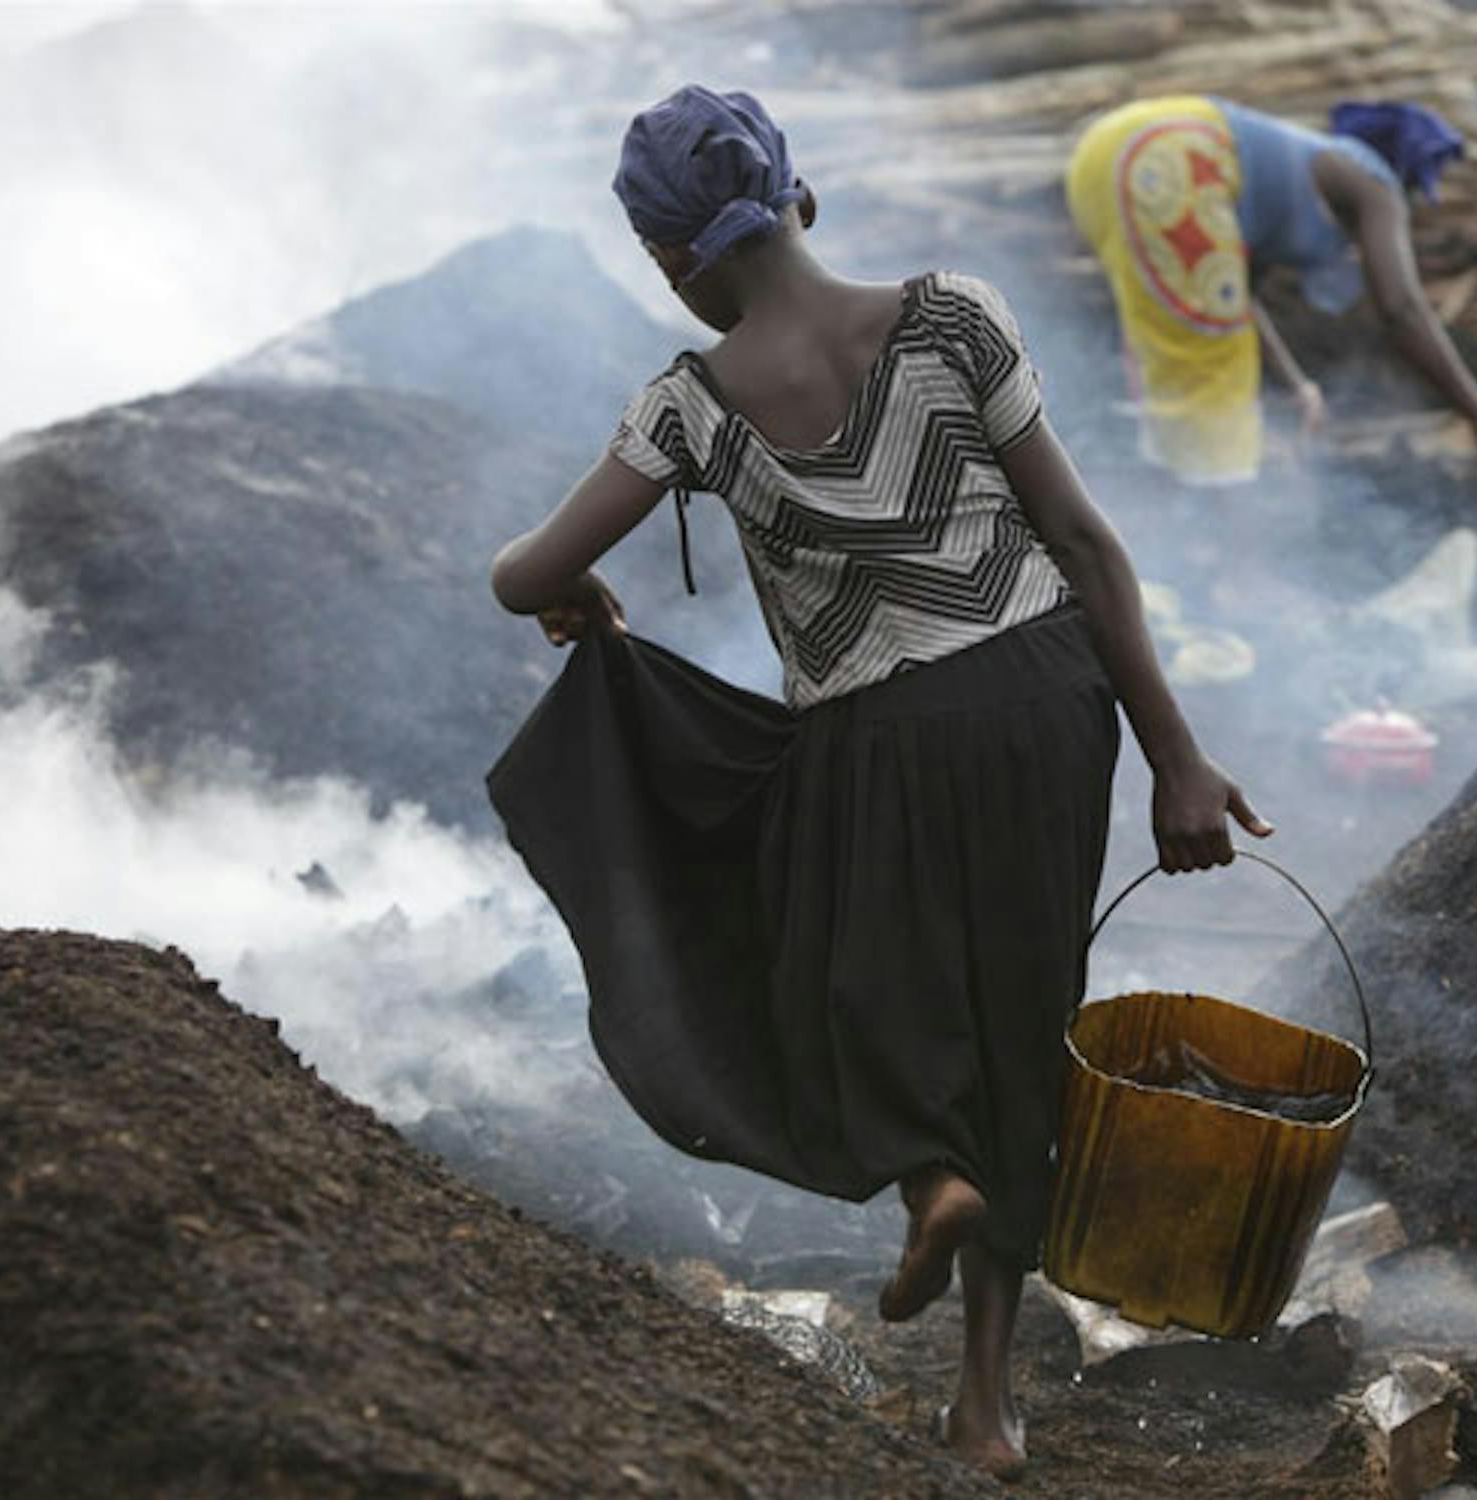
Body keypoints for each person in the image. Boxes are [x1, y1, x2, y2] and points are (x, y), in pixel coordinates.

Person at [485, 85, 1269, 1480]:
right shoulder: (954, 316)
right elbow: (1083, 544)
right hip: (1043, 704)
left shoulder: (688, 404)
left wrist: (585, 602)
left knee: (840, 977)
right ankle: (986, 1402)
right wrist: (1177, 759)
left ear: (666, 261)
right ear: (803, 197)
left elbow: (522, 575)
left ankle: (929, 1173)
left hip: (873, 736)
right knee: (1023, 1014)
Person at [1065, 94, 1477, 486]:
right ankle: (1239, 574)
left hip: (1106, 153)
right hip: (1170, 157)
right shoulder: (1375, 183)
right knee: (1213, 381)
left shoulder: (1299, 171)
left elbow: (1235, 301)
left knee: (1179, 358)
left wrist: (1296, 385)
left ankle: (1168, 542)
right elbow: (1401, 309)